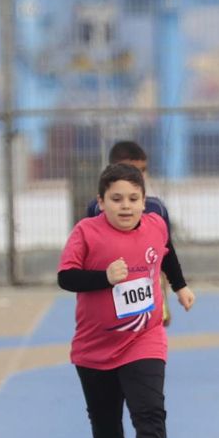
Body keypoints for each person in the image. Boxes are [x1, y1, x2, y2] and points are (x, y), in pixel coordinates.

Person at [58, 162, 195, 438]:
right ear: (100, 202)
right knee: (105, 423)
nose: (125, 205)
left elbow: (167, 253)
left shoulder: (155, 225)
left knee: (149, 413)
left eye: (134, 198)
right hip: (94, 346)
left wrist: (180, 286)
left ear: (143, 201)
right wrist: (104, 277)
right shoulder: (86, 232)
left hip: (144, 338)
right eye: (116, 198)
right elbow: (66, 277)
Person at [82, 141, 179, 329]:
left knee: (147, 345)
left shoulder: (156, 209)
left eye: (143, 170)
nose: (140, 177)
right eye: (133, 171)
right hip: (111, 293)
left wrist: (165, 303)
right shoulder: (96, 209)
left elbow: (164, 260)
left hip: (145, 294)